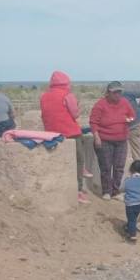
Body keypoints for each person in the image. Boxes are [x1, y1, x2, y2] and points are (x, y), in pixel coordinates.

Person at [40, 71, 94, 204]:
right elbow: (75, 114)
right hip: (69, 132)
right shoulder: (67, 95)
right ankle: (79, 191)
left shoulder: (44, 96)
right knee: (79, 160)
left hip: (51, 133)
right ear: (66, 83)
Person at [90, 81, 136, 199]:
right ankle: (107, 191)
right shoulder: (100, 105)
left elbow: (132, 116)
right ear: (108, 93)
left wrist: (126, 120)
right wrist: (96, 137)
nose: (117, 94)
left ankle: (115, 191)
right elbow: (93, 122)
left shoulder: (125, 103)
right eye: (115, 92)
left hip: (121, 140)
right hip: (104, 140)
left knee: (119, 167)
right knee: (105, 167)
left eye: (119, 92)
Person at [122, 87, 140, 162]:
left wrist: (139, 106)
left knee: (135, 149)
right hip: (121, 126)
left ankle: (139, 169)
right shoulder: (111, 100)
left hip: (133, 125)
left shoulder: (126, 93)